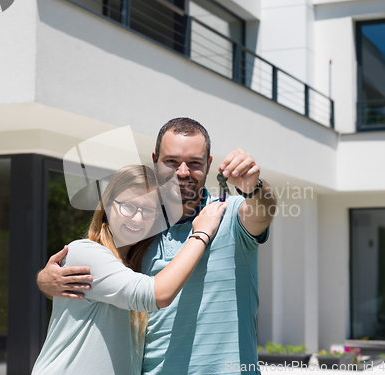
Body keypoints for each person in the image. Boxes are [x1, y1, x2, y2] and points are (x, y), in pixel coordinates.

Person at [37, 118, 277, 374]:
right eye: (171, 162)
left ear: (208, 164)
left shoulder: (227, 213)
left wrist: (255, 187)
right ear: (155, 160)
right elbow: (107, 279)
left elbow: (264, 211)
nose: (182, 172)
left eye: (194, 163)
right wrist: (45, 281)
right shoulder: (139, 228)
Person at [32, 164, 228, 375]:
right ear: (107, 205)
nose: (137, 218)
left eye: (148, 211)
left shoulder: (136, 267)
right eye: (128, 206)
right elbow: (156, 294)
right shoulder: (85, 252)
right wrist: (201, 234)